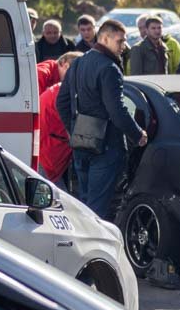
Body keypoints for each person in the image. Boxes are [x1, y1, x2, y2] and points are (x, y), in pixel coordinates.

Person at [55, 19, 146, 219]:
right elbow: (117, 110)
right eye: (120, 41)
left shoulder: (79, 63)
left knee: (85, 206)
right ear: (104, 39)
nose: (124, 46)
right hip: (106, 147)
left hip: (81, 144)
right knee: (97, 211)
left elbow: (61, 103)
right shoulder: (109, 68)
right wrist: (138, 134)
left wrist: (74, 129)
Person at [37, 77, 72, 189]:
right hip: (49, 155)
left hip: (45, 150)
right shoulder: (67, 94)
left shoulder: (59, 89)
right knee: (57, 195)